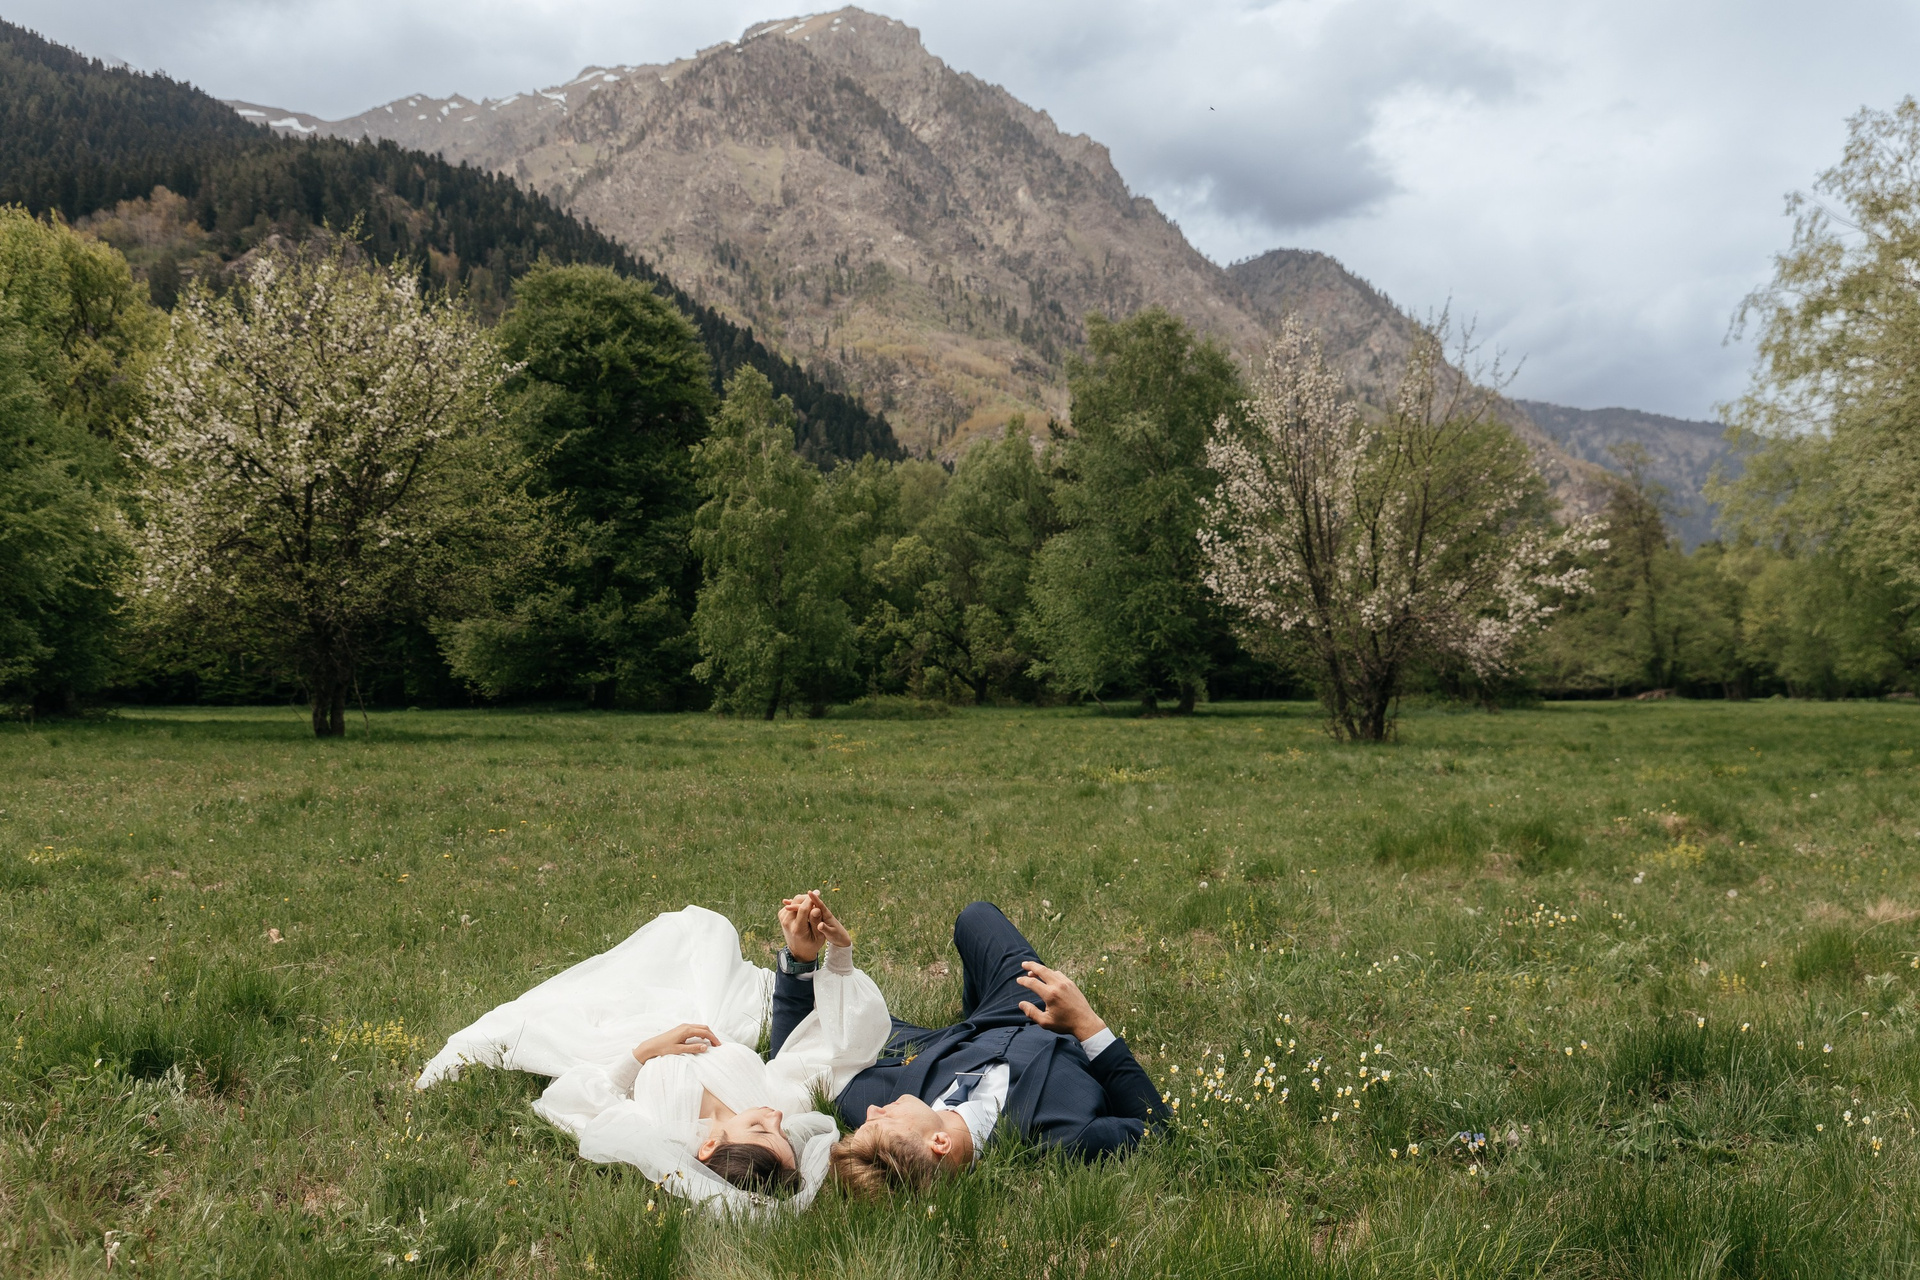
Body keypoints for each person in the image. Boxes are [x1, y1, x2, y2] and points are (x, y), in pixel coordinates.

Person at [416, 892, 889, 1213]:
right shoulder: (778, 1100)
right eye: (781, 1131)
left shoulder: (663, 1128)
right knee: (702, 934)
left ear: (709, 1146)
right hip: (703, 1012)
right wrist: (838, 955)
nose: (776, 1116)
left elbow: (580, 1100)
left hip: (631, 1034)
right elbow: (836, 1049)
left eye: (762, 1128)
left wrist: (645, 1052)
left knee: (541, 1021)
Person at [770, 900, 1166, 1196]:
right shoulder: (1063, 1139)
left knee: (975, 919)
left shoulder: (880, 1100)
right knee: (980, 919)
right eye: (881, 1120)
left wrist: (801, 957)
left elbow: (793, 1059)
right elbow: (1160, 1134)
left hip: (968, 1033)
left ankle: (976, 1002)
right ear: (938, 1143)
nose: (873, 1111)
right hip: (1046, 1023)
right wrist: (1088, 1024)